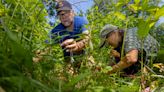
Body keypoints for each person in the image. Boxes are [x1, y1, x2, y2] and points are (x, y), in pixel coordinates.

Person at [48, 0, 90, 71]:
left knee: (90, 66)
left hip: (84, 56)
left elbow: (87, 38)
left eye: (67, 12)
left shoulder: (81, 21)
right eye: (61, 14)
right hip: (68, 60)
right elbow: (47, 47)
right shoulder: (56, 31)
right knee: (66, 75)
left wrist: (78, 46)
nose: (64, 16)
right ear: (59, 17)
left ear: (73, 13)